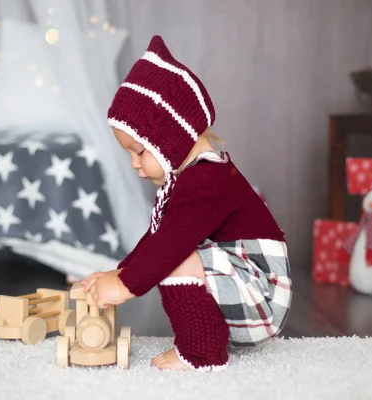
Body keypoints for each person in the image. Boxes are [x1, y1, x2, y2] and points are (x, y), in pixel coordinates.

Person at [82, 35, 292, 372]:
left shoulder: (205, 181)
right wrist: (121, 271)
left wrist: (123, 286)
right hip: (246, 287)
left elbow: (167, 245)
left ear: (170, 137)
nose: (135, 164)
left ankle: (202, 352)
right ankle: (207, 339)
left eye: (139, 151)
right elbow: (157, 236)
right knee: (170, 251)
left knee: (175, 256)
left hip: (262, 298)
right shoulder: (191, 179)